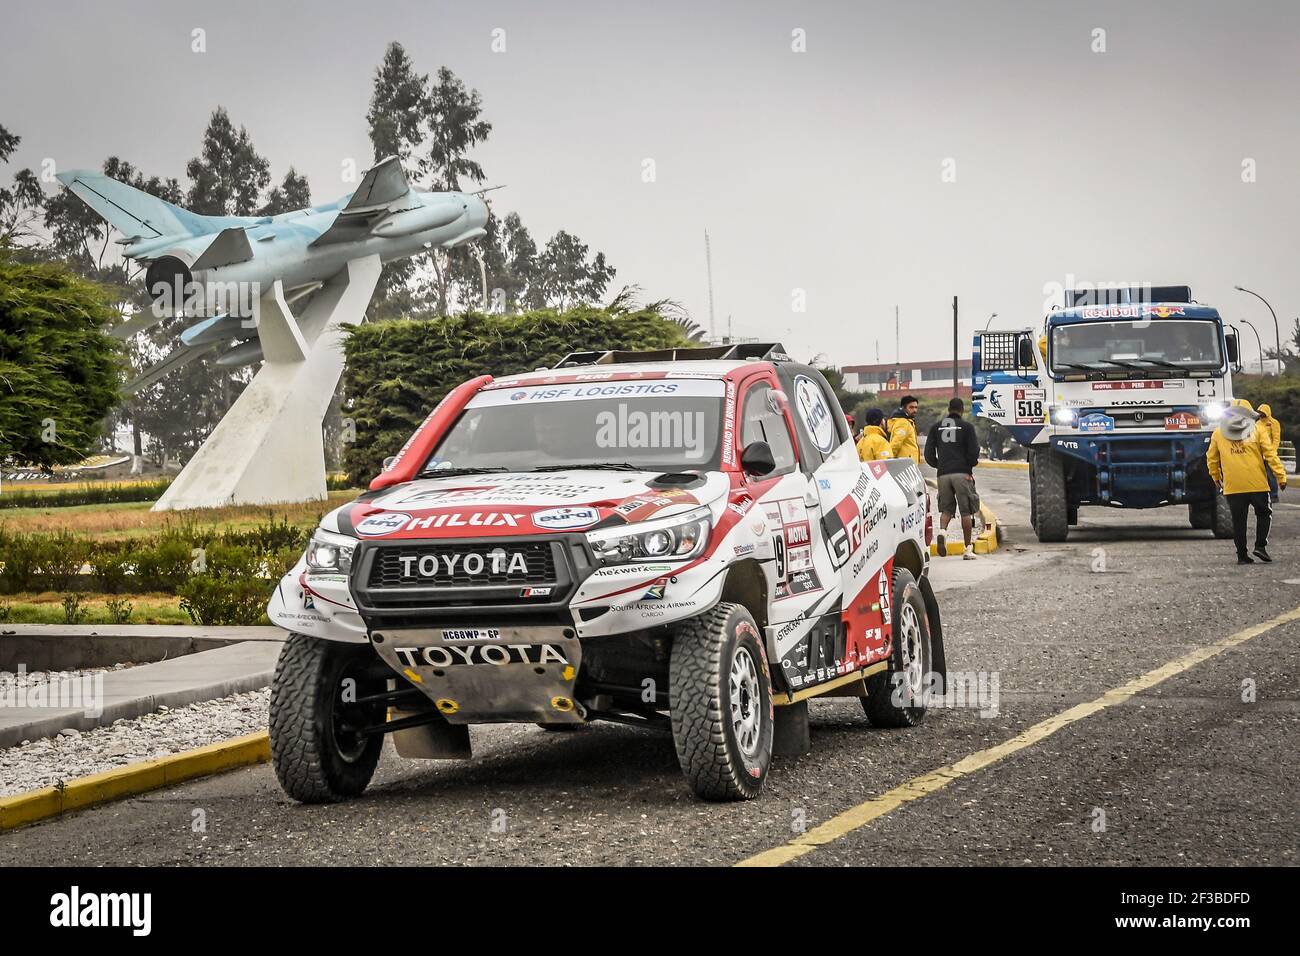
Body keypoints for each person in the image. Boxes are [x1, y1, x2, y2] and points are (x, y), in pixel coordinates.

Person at [1206, 400, 1286, 564]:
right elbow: (1270, 455)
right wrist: (1281, 476)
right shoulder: (1259, 429)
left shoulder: (1218, 433)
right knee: (1264, 513)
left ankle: (1242, 555)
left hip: (1233, 486)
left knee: (1238, 520)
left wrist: (1216, 477)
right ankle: (1260, 546)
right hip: (1257, 484)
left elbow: (1212, 459)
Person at [925, 397, 981, 559]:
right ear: (961, 410)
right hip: (961, 473)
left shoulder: (936, 427)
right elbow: (974, 450)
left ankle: (942, 531)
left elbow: (928, 453)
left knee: (946, 509)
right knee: (966, 511)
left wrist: (939, 465)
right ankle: (967, 549)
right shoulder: (967, 427)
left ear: (949, 410)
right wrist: (969, 465)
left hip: (943, 474)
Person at [1257, 403, 1283, 503]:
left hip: (1269, 454)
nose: (1261, 414)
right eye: (1259, 412)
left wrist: (1271, 452)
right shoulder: (1257, 424)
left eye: (1262, 412)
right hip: (1259, 454)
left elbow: (1276, 439)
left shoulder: (1274, 423)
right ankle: (1264, 495)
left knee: (1270, 475)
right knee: (1261, 476)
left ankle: (1274, 495)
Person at [888, 395, 921, 465]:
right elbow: (896, 443)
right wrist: (889, 461)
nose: (914, 410)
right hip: (905, 465)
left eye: (916, 407)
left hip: (907, 463)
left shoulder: (908, 421)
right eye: (911, 407)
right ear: (903, 408)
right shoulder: (903, 423)